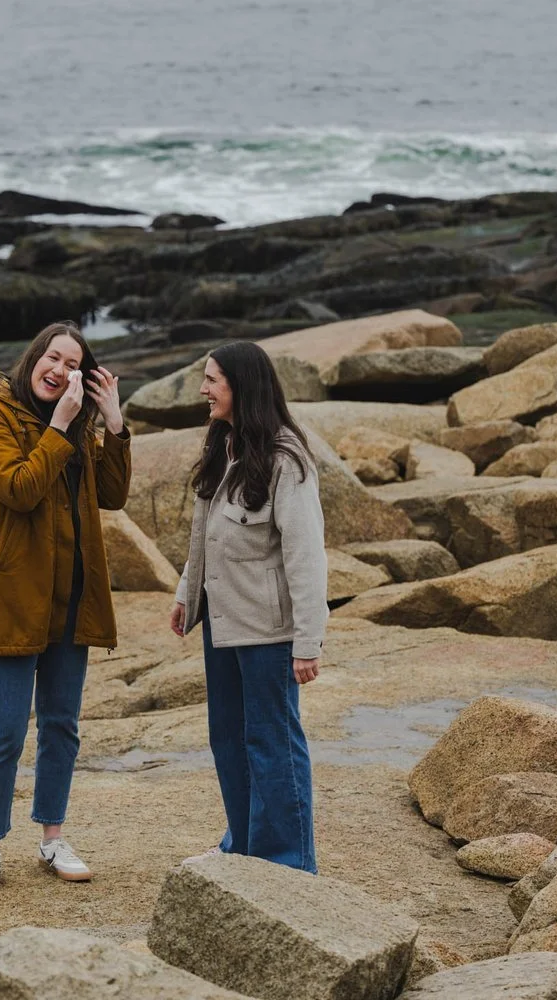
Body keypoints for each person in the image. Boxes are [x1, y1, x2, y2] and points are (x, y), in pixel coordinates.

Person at [0, 321, 132, 897]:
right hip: (13, 597)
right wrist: (59, 426)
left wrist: (113, 424)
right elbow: (19, 488)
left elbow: (112, 495)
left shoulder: (76, 425)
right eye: (53, 358)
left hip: (71, 598)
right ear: (34, 356)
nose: (59, 370)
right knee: (5, 729)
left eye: (72, 365)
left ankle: (53, 837)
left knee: (61, 726)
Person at [168, 341, 326, 873]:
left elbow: (306, 555)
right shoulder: (223, 445)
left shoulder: (286, 459)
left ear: (242, 385)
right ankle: (242, 848)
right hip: (222, 623)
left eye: (212, 379)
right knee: (229, 740)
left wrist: (308, 641)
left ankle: (288, 865)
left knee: (272, 742)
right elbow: (205, 537)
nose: (203, 389)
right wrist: (186, 596)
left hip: (268, 631)